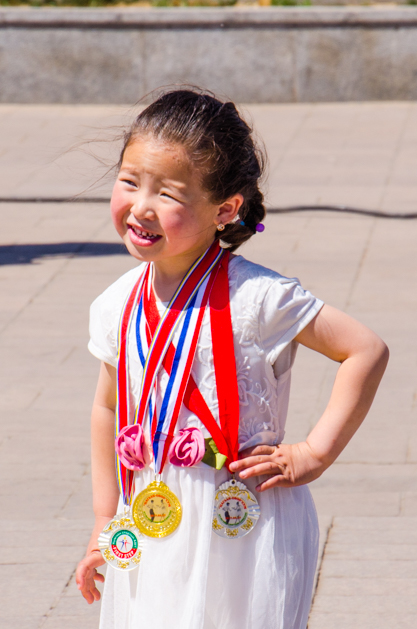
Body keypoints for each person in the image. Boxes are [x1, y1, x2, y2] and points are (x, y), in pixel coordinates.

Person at [75, 89, 389, 629]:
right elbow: (108, 408)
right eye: (129, 181)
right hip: (150, 514)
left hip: (243, 518)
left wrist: (313, 453)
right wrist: (105, 519)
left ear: (224, 210)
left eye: (167, 193)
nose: (141, 206)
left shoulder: (258, 298)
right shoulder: (116, 304)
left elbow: (366, 349)